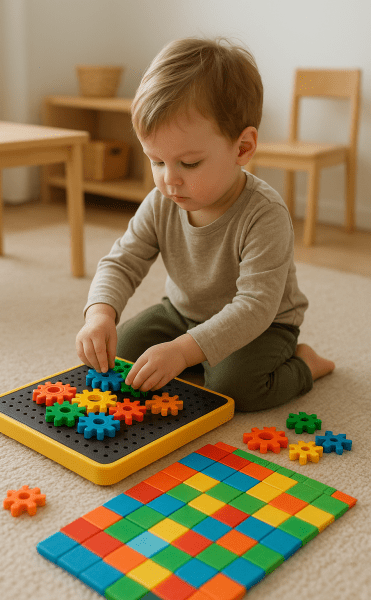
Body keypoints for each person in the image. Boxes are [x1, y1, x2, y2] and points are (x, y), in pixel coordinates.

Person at [76, 37, 335, 411]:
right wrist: (100, 314)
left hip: (263, 325)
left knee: (234, 388)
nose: (169, 180)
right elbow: (123, 261)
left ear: (243, 148)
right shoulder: (161, 201)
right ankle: (198, 355)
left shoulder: (265, 214)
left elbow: (254, 308)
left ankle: (305, 364)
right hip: (182, 312)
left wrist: (182, 352)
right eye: (157, 161)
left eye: (189, 163)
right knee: (124, 359)